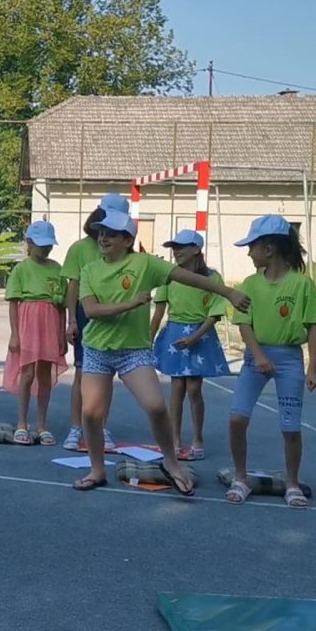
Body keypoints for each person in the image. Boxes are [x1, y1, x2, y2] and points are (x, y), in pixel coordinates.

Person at [72, 210, 249, 495]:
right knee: (91, 413)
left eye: (111, 234)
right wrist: (131, 304)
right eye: (101, 233)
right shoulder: (90, 270)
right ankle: (97, 469)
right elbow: (92, 310)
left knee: (155, 406)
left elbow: (189, 278)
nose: (103, 238)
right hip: (96, 350)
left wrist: (228, 292)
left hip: (133, 352)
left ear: (127, 240)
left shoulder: (145, 264)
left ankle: (171, 462)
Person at [226, 216, 316, 508]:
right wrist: (260, 355)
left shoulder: (303, 284)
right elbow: (244, 324)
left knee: (290, 426)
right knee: (237, 418)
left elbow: (312, 325)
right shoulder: (250, 284)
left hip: (289, 359)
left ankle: (292, 483)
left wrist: (312, 366)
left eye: (251, 247)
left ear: (268, 249)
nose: (248, 253)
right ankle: (240, 477)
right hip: (255, 357)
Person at [149, 230, 230, 461]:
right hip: (175, 332)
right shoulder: (168, 276)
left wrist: (196, 336)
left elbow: (215, 312)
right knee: (176, 388)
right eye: (174, 246)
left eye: (182, 246)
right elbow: (158, 313)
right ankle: (174, 439)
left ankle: (197, 437)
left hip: (200, 334)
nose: (176, 251)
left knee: (194, 388)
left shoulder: (212, 278)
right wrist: (148, 340)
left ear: (196, 249)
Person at [60, 193, 128, 451]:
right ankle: (77, 427)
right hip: (85, 314)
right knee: (82, 371)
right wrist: (71, 321)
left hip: (113, 313)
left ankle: (101, 428)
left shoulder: (124, 246)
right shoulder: (79, 248)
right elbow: (73, 286)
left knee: (106, 375)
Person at [2, 221, 68, 445]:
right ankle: (22, 422)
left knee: (44, 374)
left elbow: (62, 306)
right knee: (27, 373)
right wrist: (14, 334)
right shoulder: (21, 269)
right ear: (29, 243)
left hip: (50, 323)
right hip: (28, 322)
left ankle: (42, 424)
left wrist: (61, 335)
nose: (45, 249)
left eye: (49, 245)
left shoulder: (57, 269)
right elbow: (13, 303)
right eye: (41, 244)